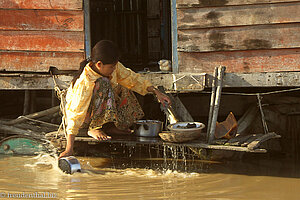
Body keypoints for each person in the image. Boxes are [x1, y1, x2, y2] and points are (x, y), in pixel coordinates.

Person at [59, 40, 171, 158]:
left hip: (100, 113)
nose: (114, 69)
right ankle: (94, 128)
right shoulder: (84, 82)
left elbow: (132, 78)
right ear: (99, 65)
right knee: (103, 83)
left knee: (124, 85)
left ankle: (110, 126)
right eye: (111, 67)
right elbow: (75, 113)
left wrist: (156, 91)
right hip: (83, 121)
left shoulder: (114, 68)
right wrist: (69, 148)